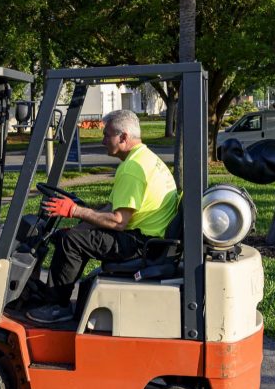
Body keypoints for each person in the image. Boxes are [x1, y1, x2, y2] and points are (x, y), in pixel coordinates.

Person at [27, 109, 179, 325]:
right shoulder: (145, 159)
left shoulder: (132, 169)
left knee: (71, 241)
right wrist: (85, 213)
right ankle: (51, 293)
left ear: (123, 137)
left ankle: (57, 307)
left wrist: (75, 211)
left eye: (107, 135)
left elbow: (118, 221)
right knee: (70, 233)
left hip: (140, 243)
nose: (103, 140)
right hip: (148, 238)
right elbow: (114, 206)